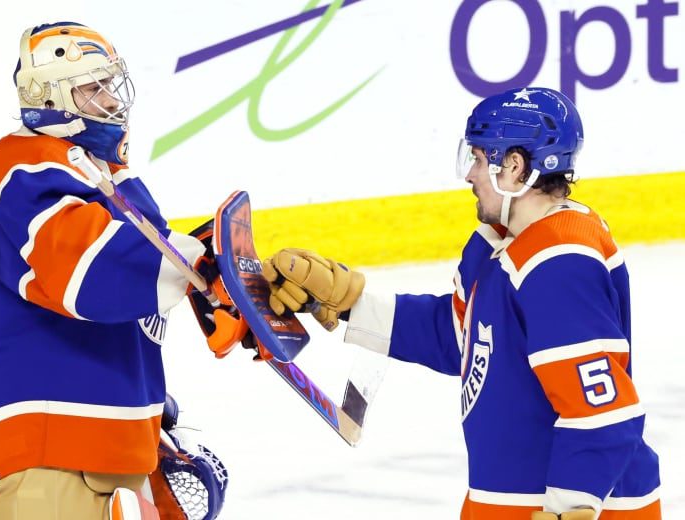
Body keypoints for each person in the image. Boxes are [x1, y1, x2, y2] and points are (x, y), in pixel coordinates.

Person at [262, 87, 661, 519]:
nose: (470, 174)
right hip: (505, 498)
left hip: (563, 508)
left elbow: (603, 407)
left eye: (478, 157)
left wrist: (570, 508)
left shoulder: (558, 261)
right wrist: (351, 304)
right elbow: (462, 337)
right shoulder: (503, 243)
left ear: (514, 167)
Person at [0, 22, 228, 519]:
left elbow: (131, 303)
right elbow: (89, 272)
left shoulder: (97, 171)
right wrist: (199, 267)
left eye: (108, 85)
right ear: (49, 97)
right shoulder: (22, 165)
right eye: (91, 87)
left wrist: (144, 416)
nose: (108, 99)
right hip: (39, 443)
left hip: (77, 438)